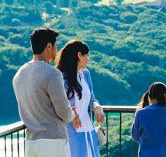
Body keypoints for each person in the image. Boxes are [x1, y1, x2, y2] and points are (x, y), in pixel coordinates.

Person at [12, 27, 76, 157]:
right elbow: (64, 113)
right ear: (49, 46)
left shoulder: (19, 74)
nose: (56, 50)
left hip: (31, 142)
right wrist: (72, 113)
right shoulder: (52, 74)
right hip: (53, 142)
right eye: (55, 46)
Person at [56, 40, 105, 157]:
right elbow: (57, 103)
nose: (88, 59)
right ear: (79, 55)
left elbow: (92, 98)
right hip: (71, 129)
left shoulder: (85, 74)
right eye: (87, 55)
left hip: (88, 127)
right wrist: (71, 112)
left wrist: (97, 107)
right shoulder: (59, 77)